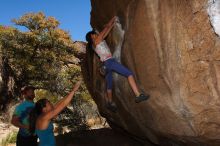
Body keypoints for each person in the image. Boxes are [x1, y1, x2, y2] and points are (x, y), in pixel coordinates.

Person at [85, 16, 150, 112]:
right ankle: (138, 95)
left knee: (109, 84)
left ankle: (110, 103)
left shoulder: (98, 43)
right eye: (94, 34)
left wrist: (113, 25)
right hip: (109, 62)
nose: (96, 34)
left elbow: (107, 31)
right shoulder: (97, 41)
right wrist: (113, 18)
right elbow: (105, 29)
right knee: (129, 74)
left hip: (106, 65)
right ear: (92, 37)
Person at [29, 81, 81, 146]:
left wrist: (71, 92)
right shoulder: (44, 117)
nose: (51, 104)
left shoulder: (43, 116)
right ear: (44, 108)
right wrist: (73, 90)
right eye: (49, 103)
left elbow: (59, 103)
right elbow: (63, 105)